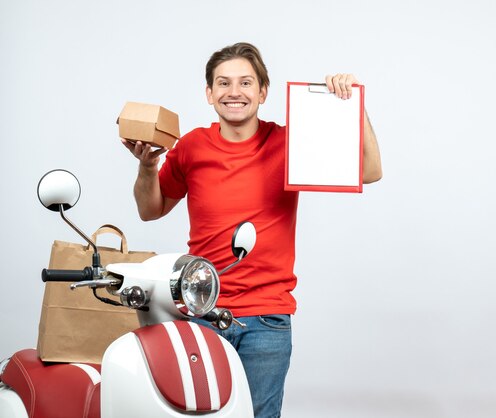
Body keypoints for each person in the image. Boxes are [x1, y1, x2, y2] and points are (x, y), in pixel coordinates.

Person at [122, 42, 382, 418]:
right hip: (201, 311)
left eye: (246, 82)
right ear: (209, 93)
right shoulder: (193, 145)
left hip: (267, 319)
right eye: (223, 83)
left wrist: (354, 104)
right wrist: (147, 167)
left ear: (262, 92)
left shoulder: (290, 143)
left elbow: (370, 171)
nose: (234, 92)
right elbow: (151, 209)